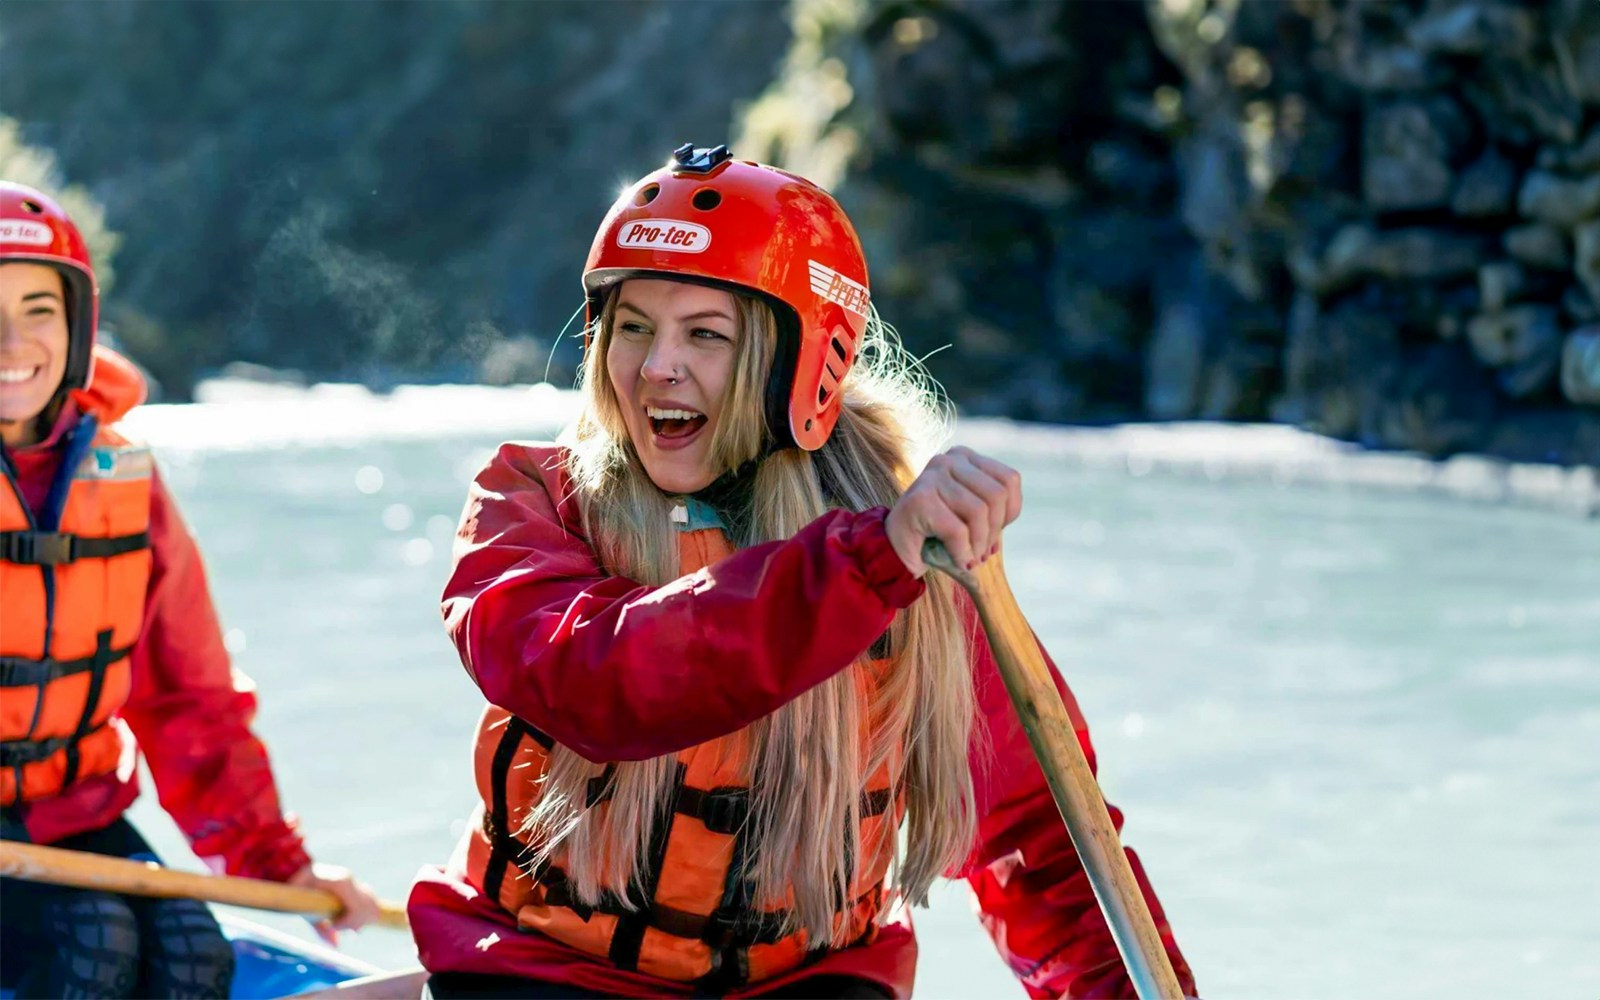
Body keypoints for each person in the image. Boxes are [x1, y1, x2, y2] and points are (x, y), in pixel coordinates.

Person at [408, 145, 1196, 999]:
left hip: (810, 984)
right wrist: (868, 562)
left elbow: (1042, 849)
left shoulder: (917, 562)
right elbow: (594, 680)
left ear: (797, 366)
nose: (656, 366)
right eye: (632, 326)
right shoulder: (527, 501)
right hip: (544, 974)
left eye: (706, 334)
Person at [0, 180, 384, 999]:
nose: (12, 343)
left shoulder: (122, 476)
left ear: (76, 325)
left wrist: (284, 866)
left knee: (190, 955)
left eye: (38, 308)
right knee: (92, 946)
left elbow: (191, 702)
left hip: (75, 811)